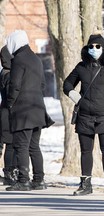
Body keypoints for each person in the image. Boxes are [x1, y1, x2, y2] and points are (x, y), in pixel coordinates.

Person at [63, 34, 104, 196]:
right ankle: (85, 184)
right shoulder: (81, 67)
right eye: (91, 46)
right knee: (86, 151)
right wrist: (77, 98)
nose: (94, 49)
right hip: (85, 115)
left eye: (98, 46)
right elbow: (67, 84)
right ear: (87, 49)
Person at [5, 30, 54, 191]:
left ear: (15, 42)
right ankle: (39, 180)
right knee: (34, 146)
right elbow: (42, 85)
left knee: (21, 145)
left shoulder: (18, 60)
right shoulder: (36, 58)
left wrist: (10, 102)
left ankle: (23, 180)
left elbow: (15, 85)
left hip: (23, 111)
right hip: (38, 109)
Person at [0, 45, 18, 186]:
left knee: (10, 144)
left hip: (5, 112)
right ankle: (9, 172)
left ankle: (10, 172)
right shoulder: (9, 74)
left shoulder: (4, 72)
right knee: (11, 144)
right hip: (8, 113)